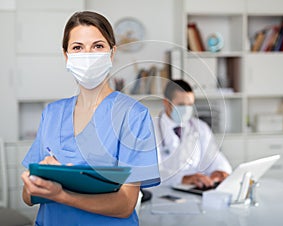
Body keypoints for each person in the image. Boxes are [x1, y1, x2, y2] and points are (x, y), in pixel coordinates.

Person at [21, 11, 160, 226]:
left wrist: (61, 195)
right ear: (66, 55)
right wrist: (37, 182)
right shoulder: (52, 113)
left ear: (111, 53)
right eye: (77, 48)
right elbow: (27, 197)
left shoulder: (133, 115)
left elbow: (125, 205)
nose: (88, 54)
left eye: (97, 46)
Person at [155, 79, 232, 188]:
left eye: (190, 105)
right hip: (162, 194)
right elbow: (149, 172)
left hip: (194, 191)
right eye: (181, 105)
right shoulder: (150, 130)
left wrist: (219, 171)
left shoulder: (201, 128)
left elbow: (215, 158)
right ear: (166, 103)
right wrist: (182, 178)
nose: (186, 110)